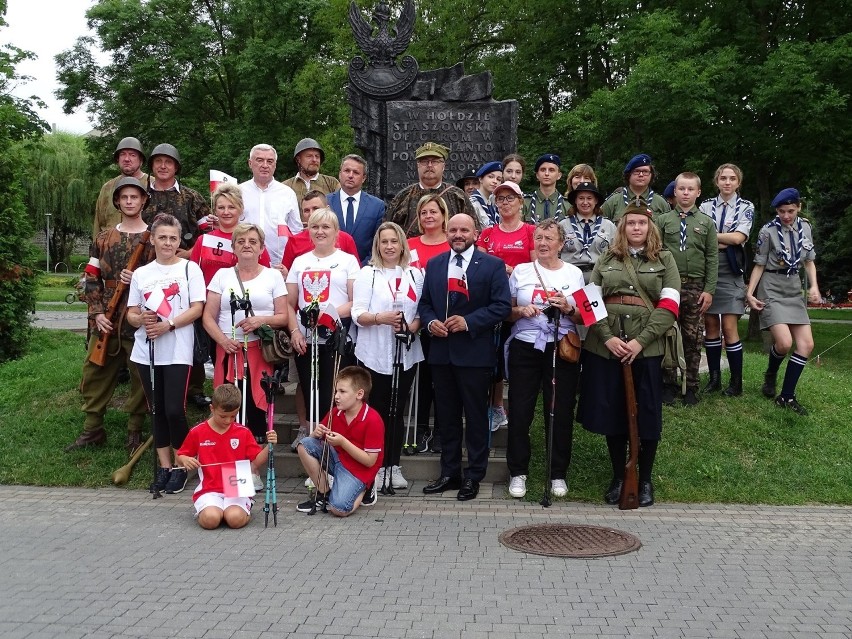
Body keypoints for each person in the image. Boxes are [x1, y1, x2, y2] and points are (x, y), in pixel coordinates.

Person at [580, 203, 680, 507]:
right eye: (630, 223)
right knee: (614, 414)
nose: (636, 228)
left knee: (646, 414)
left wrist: (640, 342)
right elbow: (589, 301)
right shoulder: (607, 259)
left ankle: (644, 479)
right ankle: (618, 477)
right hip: (607, 349)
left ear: (650, 228)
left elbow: (670, 306)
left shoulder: (665, 259)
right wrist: (608, 339)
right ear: (622, 228)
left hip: (646, 350)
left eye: (642, 223)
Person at [418, 213, 512, 501]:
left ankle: (474, 475)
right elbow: (425, 303)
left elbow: (502, 306)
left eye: (464, 230)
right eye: (454, 230)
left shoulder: (493, 266)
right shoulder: (434, 264)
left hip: (474, 352)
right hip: (442, 353)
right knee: (446, 418)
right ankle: (449, 473)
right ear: (447, 232)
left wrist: (469, 321)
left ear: (475, 233)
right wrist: (431, 322)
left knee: (474, 417)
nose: (458, 234)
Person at [66, 177, 154, 454]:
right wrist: (96, 312)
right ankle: (93, 429)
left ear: (143, 201)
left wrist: (140, 277)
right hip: (107, 315)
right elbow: (90, 278)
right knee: (95, 371)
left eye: (135, 197)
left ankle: (134, 431)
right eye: (124, 197)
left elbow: (164, 278)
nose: (129, 201)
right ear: (117, 201)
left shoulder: (153, 237)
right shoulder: (103, 238)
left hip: (138, 315)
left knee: (141, 374)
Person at [127, 213, 206, 495]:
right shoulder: (142, 273)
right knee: (157, 409)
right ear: (153, 239)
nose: (168, 243)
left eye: (173, 238)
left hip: (177, 350)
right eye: (162, 237)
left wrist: (168, 325)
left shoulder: (189, 269)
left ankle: (184, 465)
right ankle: (164, 467)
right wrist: (142, 321)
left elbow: (197, 308)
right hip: (146, 351)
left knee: (174, 409)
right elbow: (132, 313)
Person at [505, 220, 584, 499]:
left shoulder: (574, 274)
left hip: (560, 348)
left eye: (549, 238)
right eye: (538, 237)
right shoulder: (522, 272)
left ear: (561, 244)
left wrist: (568, 307)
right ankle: (518, 472)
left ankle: (557, 473)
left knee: (560, 411)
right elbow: (507, 311)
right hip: (526, 347)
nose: (543, 243)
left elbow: (583, 315)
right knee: (520, 409)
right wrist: (521, 311)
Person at [202, 222, 295, 446]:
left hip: (258, 351)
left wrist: (260, 320)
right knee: (228, 401)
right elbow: (207, 317)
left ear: (262, 248)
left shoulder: (273, 276)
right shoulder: (222, 276)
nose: (247, 245)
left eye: (253, 241)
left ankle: (252, 459)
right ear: (233, 247)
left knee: (255, 404)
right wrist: (223, 341)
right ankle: (227, 451)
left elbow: (283, 316)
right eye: (241, 241)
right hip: (228, 349)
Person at [352, 222, 424, 489]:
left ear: (402, 244)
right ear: (377, 245)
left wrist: (411, 327)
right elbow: (358, 314)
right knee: (378, 411)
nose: (390, 246)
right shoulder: (367, 274)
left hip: (404, 352)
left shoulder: (414, 274)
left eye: (394, 241)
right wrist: (380, 318)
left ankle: (394, 465)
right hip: (374, 353)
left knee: (397, 411)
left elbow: (419, 313)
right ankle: (377, 465)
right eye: (385, 242)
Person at [141, 143, 212, 408]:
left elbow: (209, 231)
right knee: (150, 320)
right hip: (149, 269)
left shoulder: (191, 197)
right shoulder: (142, 196)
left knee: (187, 325)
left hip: (184, 268)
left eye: (168, 162)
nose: (162, 166)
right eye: (158, 161)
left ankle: (193, 386)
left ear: (176, 167)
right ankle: (149, 379)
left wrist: (190, 253)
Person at [746, 188, 820, 415]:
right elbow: (759, 264)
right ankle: (771, 373)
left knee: (806, 345)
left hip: (792, 289)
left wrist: (814, 286)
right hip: (772, 287)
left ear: (798, 207)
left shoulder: (805, 227)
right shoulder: (768, 231)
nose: (786, 215)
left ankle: (786, 397)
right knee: (784, 343)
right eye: (781, 211)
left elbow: (808, 261)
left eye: (790, 210)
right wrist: (750, 293)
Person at [286, 208, 360, 430]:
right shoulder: (300, 262)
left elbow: (356, 301)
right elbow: (289, 304)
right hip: (305, 339)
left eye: (326, 227)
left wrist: (327, 314)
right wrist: (294, 332)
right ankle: (313, 439)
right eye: (315, 226)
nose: (320, 231)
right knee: (311, 393)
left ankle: (335, 440)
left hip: (336, 338)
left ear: (336, 232)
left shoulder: (348, 261)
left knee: (334, 392)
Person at [175, 384, 277, 529]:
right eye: (223, 416)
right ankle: (213, 510)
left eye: (233, 416)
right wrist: (185, 459)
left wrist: (270, 446)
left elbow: (257, 460)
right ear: (212, 408)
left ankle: (239, 510)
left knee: (234, 520)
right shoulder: (198, 431)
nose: (228, 421)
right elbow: (180, 455)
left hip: (236, 487)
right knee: (211, 520)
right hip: (209, 489)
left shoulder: (243, 432)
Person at [477, 180, 535, 430]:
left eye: (510, 198)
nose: (505, 203)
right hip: (491, 301)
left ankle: (508, 406)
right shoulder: (488, 234)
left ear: (520, 201)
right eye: (500, 198)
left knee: (511, 358)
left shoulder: (531, 232)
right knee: (492, 355)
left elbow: (536, 267)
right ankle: (495, 405)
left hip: (518, 302)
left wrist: (515, 271)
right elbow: (477, 264)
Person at [656, 172, 718, 405]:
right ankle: (668, 383)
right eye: (681, 189)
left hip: (695, 286)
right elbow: (656, 252)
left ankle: (690, 385)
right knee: (668, 334)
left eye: (690, 189)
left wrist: (709, 289)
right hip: (669, 285)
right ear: (675, 191)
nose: (685, 193)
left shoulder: (706, 223)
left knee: (692, 337)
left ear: (698, 192)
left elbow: (712, 257)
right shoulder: (662, 221)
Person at [295, 366, 384, 516]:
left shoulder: (372, 419)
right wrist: (315, 434)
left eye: (342, 392)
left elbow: (369, 461)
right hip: (338, 459)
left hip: (359, 470)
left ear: (359, 394)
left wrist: (343, 443)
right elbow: (313, 443)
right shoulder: (335, 412)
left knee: (339, 509)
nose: (336, 396)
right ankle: (323, 493)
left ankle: (366, 488)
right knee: (304, 444)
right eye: (336, 391)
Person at [699, 164, 754, 397]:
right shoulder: (705, 206)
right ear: (717, 181)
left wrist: (713, 237)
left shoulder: (746, 207)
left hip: (731, 269)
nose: (727, 182)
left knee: (730, 327)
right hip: (707, 268)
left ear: (738, 182)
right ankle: (714, 380)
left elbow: (739, 237)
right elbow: (698, 236)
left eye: (732, 178)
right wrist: (724, 239)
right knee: (711, 325)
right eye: (723, 178)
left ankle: (736, 383)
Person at [406, 194, 450, 454]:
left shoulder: (450, 246)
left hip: (443, 321)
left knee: (441, 381)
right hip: (415, 321)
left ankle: (442, 431)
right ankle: (420, 429)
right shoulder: (409, 244)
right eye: (424, 213)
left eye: (434, 211)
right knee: (421, 381)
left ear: (443, 215)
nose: (429, 216)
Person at [386, 141, 476, 237]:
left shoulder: (458, 196)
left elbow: (474, 231)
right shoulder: (403, 197)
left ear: (443, 166)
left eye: (435, 161)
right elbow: (387, 230)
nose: (429, 165)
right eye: (424, 161)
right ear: (418, 165)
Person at [190, 184, 272, 284]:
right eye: (221, 207)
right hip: (209, 298)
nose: (226, 212)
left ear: (241, 209)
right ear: (215, 210)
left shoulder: (252, 240)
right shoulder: (203, 240)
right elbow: (192, 276)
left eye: (231, 207)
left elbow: (266, 276)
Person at [239, 143, 300, 266]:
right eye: (260, 160)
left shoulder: (287, 193)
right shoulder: (238, 192)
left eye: (270, 161)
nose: (265, 165)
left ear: (275, 165)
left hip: (278, 264)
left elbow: (296, 231)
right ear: (250, 163)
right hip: (244, 262)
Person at [281, 190, 359, 275]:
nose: (311, 213)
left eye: (316, 208)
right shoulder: (294, 241)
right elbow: (287, 275)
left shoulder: (345, 239)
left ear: (327, 208)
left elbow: (356, 274)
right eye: (306, 210)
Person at [327, 154, 386, 264]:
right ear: (340, 174)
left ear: (363, 178)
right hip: (330, 268)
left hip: (365, 269)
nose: (350, 175)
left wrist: (362, 268)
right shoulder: (326, 202)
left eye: (356, 172)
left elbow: (378, 242)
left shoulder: (377, 206)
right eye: (347, 171)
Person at [559, 182, 616, 284]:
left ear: (596, 201)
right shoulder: (563, 225)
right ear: (575, 201)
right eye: (581, 198)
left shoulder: (608, 225)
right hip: (569, 277)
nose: (585, 202)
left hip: (599, 276)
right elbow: (556, 253)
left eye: (589, 198)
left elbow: (616, 253)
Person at [92, 137, 148, 237]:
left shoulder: (152, 185)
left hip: (143, 247)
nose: (127, 159)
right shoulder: (107, 188)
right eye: (123, 154)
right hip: (110, 248)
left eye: (132, 155)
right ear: (118, 159)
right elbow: (98, 223)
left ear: (141, 160)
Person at [601, 154, 670, 222]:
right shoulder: (613, 202)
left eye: (645, 171)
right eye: (637, 171)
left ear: (651, 175)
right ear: (628, 174)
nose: (641, 175)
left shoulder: (661, 203)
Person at [282, 138, 340, 203]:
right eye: (309, 156)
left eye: (317, 156)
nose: (314, 160)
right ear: (298, 160)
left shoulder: (332, 183)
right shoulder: (285, 187)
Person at [524, 154, 564, 223]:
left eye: (551, 170)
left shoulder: (567, 204)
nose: (546, 173)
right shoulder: (525, 203)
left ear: (559, 175)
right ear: (537, 175)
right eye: (543, 170)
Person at [470, 161, 502, 229]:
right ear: (480, 179)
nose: (495, 181)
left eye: (498, 179)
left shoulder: (493, 204)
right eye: (491, 177)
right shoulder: (473, 204)